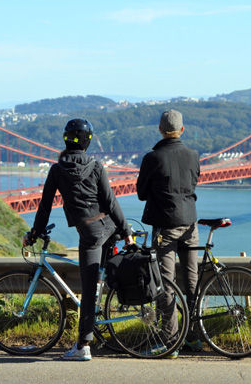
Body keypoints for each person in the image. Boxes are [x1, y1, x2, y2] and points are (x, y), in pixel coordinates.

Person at [23, 118, 133, 361]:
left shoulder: (57, 170)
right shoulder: (96, 165)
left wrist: (34, 233)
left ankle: (83, 345)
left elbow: (44, 207)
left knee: (88, 289)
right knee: (100, 280)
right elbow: (111, 202)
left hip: (91, 234)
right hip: (109, 227)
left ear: (65, 138)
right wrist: (126, 232)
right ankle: (101, 326)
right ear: (87, 142)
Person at [136, 109, 202, 357]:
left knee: (166, 283)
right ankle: (194, 337)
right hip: (191, 223)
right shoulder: (194, 155)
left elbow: (142, 193)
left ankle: (170, 341)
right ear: (182, 130)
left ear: (160, 130)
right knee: (192, 281)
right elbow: (192, 184)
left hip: (165, 226)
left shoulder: (152, 158)